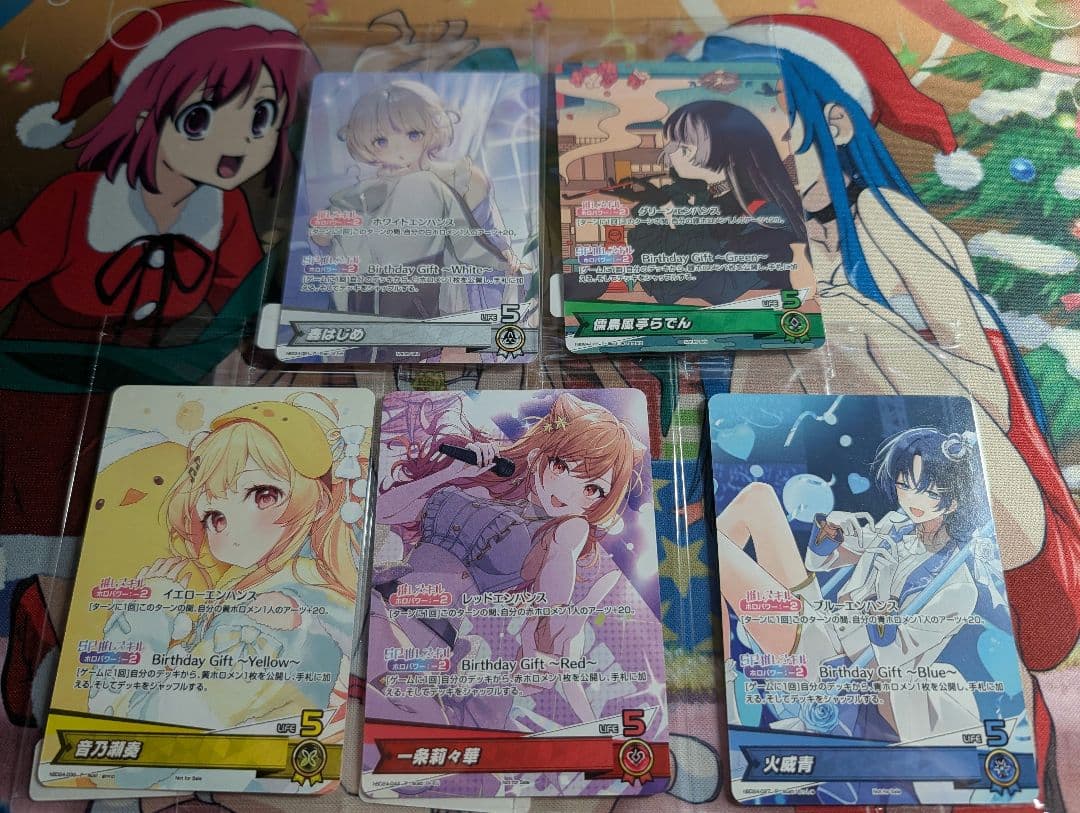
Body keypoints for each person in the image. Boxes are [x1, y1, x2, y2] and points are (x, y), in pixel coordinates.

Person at [698, 17, 1080, 795]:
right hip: (853, 547)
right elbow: (747, 433)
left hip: (980, 505)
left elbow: (988, 394)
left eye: (766, 142)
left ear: (834, 124)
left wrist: (849, 319)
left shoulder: (888, 223)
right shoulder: (757, 260)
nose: (747, 177)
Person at [0, 0, 317, 536]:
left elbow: (240, 300)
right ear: (144, 113)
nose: (237, 142)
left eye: (261, 117)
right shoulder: (76, 201)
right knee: (34, 525)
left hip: (149, 407)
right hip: (41, 398)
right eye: (200, 117)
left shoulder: (225, 211)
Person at [89, 395, 364, 735]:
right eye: (215, 516)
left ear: (319, 501)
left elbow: (135, 724)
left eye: (263, 495)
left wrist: (147, 611)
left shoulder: (267, 616)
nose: (230, 529)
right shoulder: (294, 588)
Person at [372, 392, 645, 725]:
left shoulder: (564, 530)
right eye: (561, 466)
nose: (569, 491)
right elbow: (383, 512)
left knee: (415, 715)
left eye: (592, 489)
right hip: (380, 598)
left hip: (427, 635)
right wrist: (449, 473)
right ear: (537, 455)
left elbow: (554, 589)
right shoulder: (476, 486)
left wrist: (542, 646)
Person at [323, 79, 528, 325]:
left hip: (447, 296)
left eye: (412, 134)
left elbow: (477, 241)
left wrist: (502, 257)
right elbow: (338, 256)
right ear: (364, 142)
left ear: (431, 131)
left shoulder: (455, 181)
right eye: (382, 140)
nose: (399, 149)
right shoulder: (358, 196)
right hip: (382, 297)